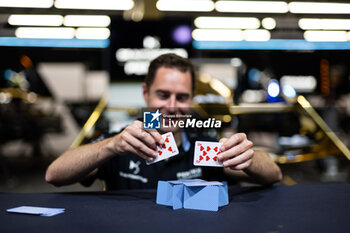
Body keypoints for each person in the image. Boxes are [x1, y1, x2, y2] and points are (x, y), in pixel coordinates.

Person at [45, 53, 282, 190]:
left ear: (191, 98)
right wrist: (110, 145)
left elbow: (274, 175)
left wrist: (248, 157)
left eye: (181, 97)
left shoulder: (203, 147)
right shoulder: (122, 144)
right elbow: (54, 175)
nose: (171, 106)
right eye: (163, 94)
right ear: (145, 92)